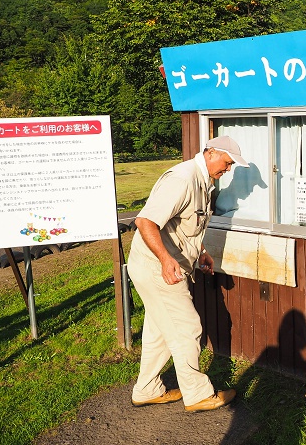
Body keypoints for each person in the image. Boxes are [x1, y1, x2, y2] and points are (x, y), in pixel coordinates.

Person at [127, 135, 247, 411]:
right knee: (187, 327)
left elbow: (187, 224)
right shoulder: (182, 179)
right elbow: (145, 221)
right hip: (157, 268)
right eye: (227, 163)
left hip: (165, 265)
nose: (227, 170)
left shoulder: (203, 181)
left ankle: (147, 389)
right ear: (211, 153)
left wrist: (201, 250)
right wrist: (165, 258)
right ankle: (197, 394)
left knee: (159, 331)